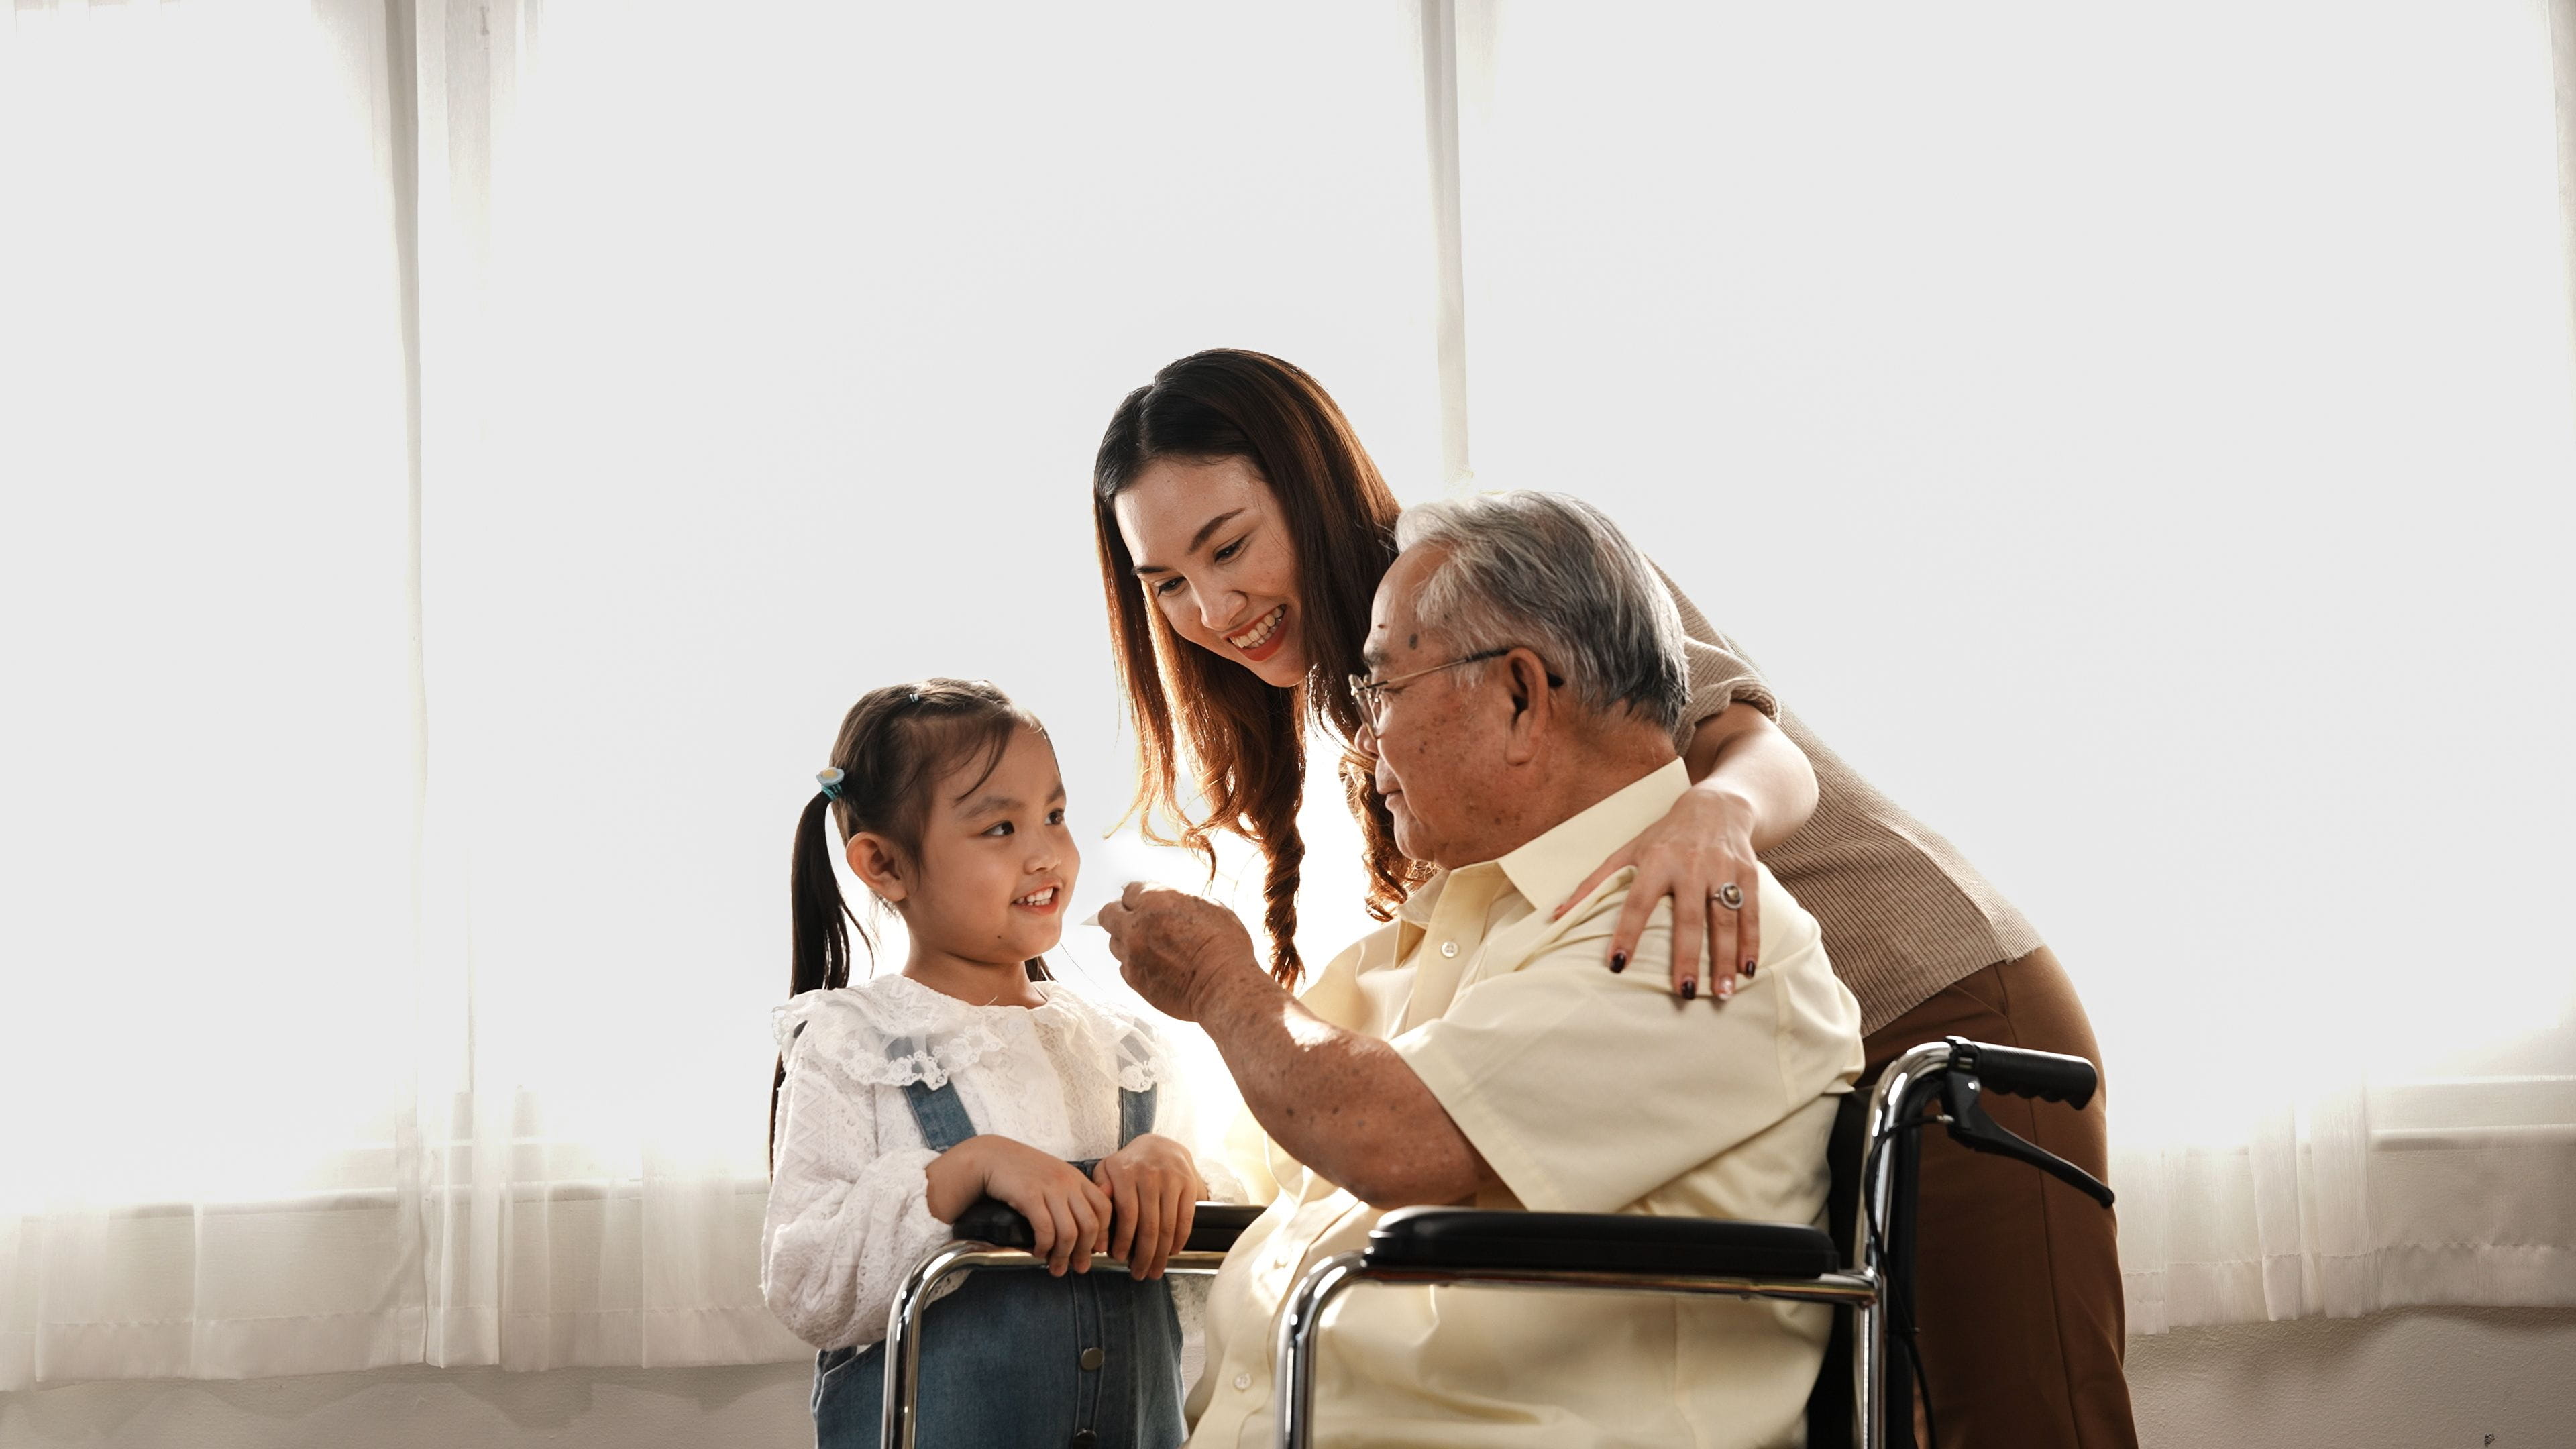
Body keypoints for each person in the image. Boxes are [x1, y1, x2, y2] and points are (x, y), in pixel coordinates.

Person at [1092, 350, 2137, 1446]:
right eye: (1165, 584)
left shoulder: (1506, 574)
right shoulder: (1386, 698)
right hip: (1700, 1043)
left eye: (1229, 546)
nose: (1212, 605)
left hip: (1931, 998)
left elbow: (1761, 750)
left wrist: (1714, 819)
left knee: (2029, 1422)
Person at [1100, 490, 1865, 1448]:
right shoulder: (1428, 932)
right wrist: (1163, 1169)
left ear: (1518, 694)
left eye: (1383, 690)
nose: (1366, 740)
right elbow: (1263, 1167)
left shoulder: (1691, 928)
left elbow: (1390, 1140)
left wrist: (1221, 984)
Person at [763, 678, 1215, 1449]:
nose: (1045, 851)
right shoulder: (854, 1044)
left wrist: (1178, 1175)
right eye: (1000, 827)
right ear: (883, 866)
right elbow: (808, 1282)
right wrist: (961, 1174)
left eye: (1055, 815)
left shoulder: (1126, 1048)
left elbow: (1209, 1277)